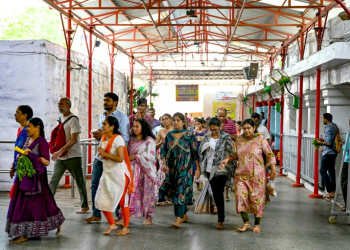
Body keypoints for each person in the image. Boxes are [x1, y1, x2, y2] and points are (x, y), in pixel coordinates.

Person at [6, 118, 65, 243]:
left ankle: (24, 233)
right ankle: (55, 222)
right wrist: (17, 161)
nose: (27, 129)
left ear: (37, 127)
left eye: (29, 126)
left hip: (36, 180)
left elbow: (46, 161)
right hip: (25, 178)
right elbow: (22, 154)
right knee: (44, 202)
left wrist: (31, 155)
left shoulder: (42, 142)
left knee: (27, 205)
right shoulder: (28, 140)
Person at [220, 119, 276, 233]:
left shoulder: (260, 139)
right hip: (241, 174)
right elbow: (238, 154)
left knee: (257, 200)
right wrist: (228, 159)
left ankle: (257, 224)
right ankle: (246, 223)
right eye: (244, 128)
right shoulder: (240, 139)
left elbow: (270, 155)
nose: (246, 130)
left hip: (257, 176)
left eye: (248, 128)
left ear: (253, 128)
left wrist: (273, 170)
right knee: (240, 198)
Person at [85, 92, 130, 223]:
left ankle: (118, 215)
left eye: (108, 100)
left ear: (115, 102)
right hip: (100, 157)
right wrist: (99, 135)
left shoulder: (122, 117)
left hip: (114, 157)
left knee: (115, 186)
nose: (105, 102)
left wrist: (108, 135)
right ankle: (96, 213)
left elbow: (125, 138)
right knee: (95, 184)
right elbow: (103, 135)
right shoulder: (102, 116)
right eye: (104, 100)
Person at [94, 116, 134, 236]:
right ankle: (112, 224)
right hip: (108, 173)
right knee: (100, 200)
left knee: (122, 202)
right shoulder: (104, 137)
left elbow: (120, 158)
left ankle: (126, 228)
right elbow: (102, 154)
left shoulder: (119, 139)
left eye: (105, 124)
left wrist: (104, 153)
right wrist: (101, 154)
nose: (102, 126)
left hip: (119, 174)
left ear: (112, 126)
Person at [159, 112, 200, 228]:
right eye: (174, 120)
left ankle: (178, 218)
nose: (175, 122)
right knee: (176, 190)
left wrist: (198, 169)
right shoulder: (169, 135)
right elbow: (163, 151)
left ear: (183, 122)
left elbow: (194, 153)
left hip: (186, 168)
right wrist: (164, 163)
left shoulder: (189, 135)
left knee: (181, 192)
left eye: (178, 120)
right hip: (172, 169)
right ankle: (184, 214)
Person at [49, 97, 89, 214]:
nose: (59, 106)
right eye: (58, 104)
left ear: (68, 105)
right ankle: (48, 206)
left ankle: (85, 205)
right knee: (53, 181)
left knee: (79, 181)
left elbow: (73, 140)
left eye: (61, 104)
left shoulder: (74, 120)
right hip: (61, 156)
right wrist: (57, 150)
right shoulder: (61, 119)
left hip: (73, 155)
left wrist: (59, 151)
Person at [198, 117, 235, 230]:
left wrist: (226, 161)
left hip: (221, 169)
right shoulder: (206, 137)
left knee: (219, 193)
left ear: (220, 127)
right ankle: (220, 216)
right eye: (211, 129)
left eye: (215, 129)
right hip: (209, 169)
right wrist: (205, 147)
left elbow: (231, 152)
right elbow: (200, 152)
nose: (213, 132)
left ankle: (220, 219)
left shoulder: (225, 137)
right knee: (215, 193)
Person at [127, 118, 157, 225]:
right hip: (132, 171)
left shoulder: (149, 140)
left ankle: (149, 217)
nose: (134, 129)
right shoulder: (131, 141)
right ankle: (125, 216)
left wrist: (135, 157)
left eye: (137, 126)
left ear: (143, 127)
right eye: (133, 126)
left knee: (147, 193)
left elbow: (150, 157)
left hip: (146, 172)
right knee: (130, 193)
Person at [317, 113, 338, 199]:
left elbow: (329, 143)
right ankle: (333, 191)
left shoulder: (329, 127)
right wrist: (323, 147)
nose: (322, 120)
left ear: (326, 119)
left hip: (328, 153)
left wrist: (320, 143)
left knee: (322, 171)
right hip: (333, 152)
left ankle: (330, 191)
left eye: (323, 118)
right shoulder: (334, 126)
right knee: (331, 172)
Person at [10, 105, 33, 183]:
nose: (15, 115)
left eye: (17, 112)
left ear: (25, 115)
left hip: (25, 167)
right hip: (19, 165)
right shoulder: (20, 129)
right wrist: (13, 165)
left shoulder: (29, 130)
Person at [217, 108, 237, 201]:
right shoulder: (214, 124)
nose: (221, 118)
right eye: (219, 116)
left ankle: (226, 193)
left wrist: (224, 132)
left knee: (228, 172)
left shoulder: (231, 124)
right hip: (217, 152)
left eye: (223, 116)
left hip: (228, 151)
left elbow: (235, 137)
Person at [155, 114, 174, 205]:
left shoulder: (175, 131)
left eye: (166, 119)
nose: (164, 121)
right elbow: (155, 144)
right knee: (162, 174)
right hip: (162, 155)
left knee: (172, 174)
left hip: (173, 156)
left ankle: (170, 195)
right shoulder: (160, 131)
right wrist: (161, 142)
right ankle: (161, 195)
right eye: (163, 119)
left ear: (171, 120)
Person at [193, 118, 208, 191]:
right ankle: (198, 185)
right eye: (196, 124)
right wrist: (195, 132)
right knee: (196, 166)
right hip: (196, 149)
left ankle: (203, 184)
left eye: (199, 124)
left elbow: (207, 139)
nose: (197, 126)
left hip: (203, 150)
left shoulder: (205, 132)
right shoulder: (194, 131)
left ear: (202, 124)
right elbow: (192, 139)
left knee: (202, 166)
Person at [340, 117, 350, 211]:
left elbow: (347, 147)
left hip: (347, 161)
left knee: (344, 183)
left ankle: (347, 205)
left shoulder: (349, 133)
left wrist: (343, 145)